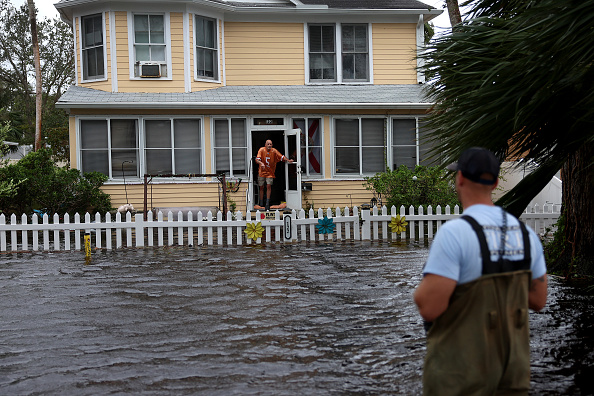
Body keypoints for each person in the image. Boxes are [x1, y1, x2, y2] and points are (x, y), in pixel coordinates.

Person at [413, 147, 547, 395]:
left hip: (461, 377)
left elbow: (430, 307)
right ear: (495, 182)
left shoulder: (454, 234)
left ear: (460, 178)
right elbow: (538, 300)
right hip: (513, 375)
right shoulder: (527, 235)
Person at [255, 139, 294, 210]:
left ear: (272, 145)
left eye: (270, 144)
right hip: (262, 172)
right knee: (261, 187)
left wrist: (288, 160)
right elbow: (257, 159)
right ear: (265, 145)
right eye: (268, 144)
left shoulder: (274, 151)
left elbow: (281, 157)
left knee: (269, 186)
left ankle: (267, 202)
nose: (269, 145)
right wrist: (261, 163)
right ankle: (261, 202)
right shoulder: (261, 150)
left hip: (270, 173)